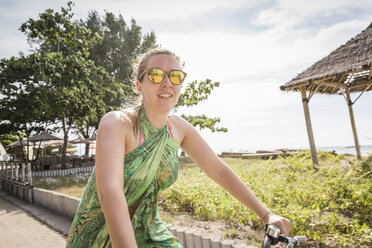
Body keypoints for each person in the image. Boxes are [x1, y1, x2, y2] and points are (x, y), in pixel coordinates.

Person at [66, 48, 290, 248]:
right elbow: (110, 190)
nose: (166, 83)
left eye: (174, 76)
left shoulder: (179, 129)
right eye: (155, 75)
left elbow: (218, 170)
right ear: (139, 85)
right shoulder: (117, 123)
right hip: (96, 234)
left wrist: (266, 214)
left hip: (148, 232)